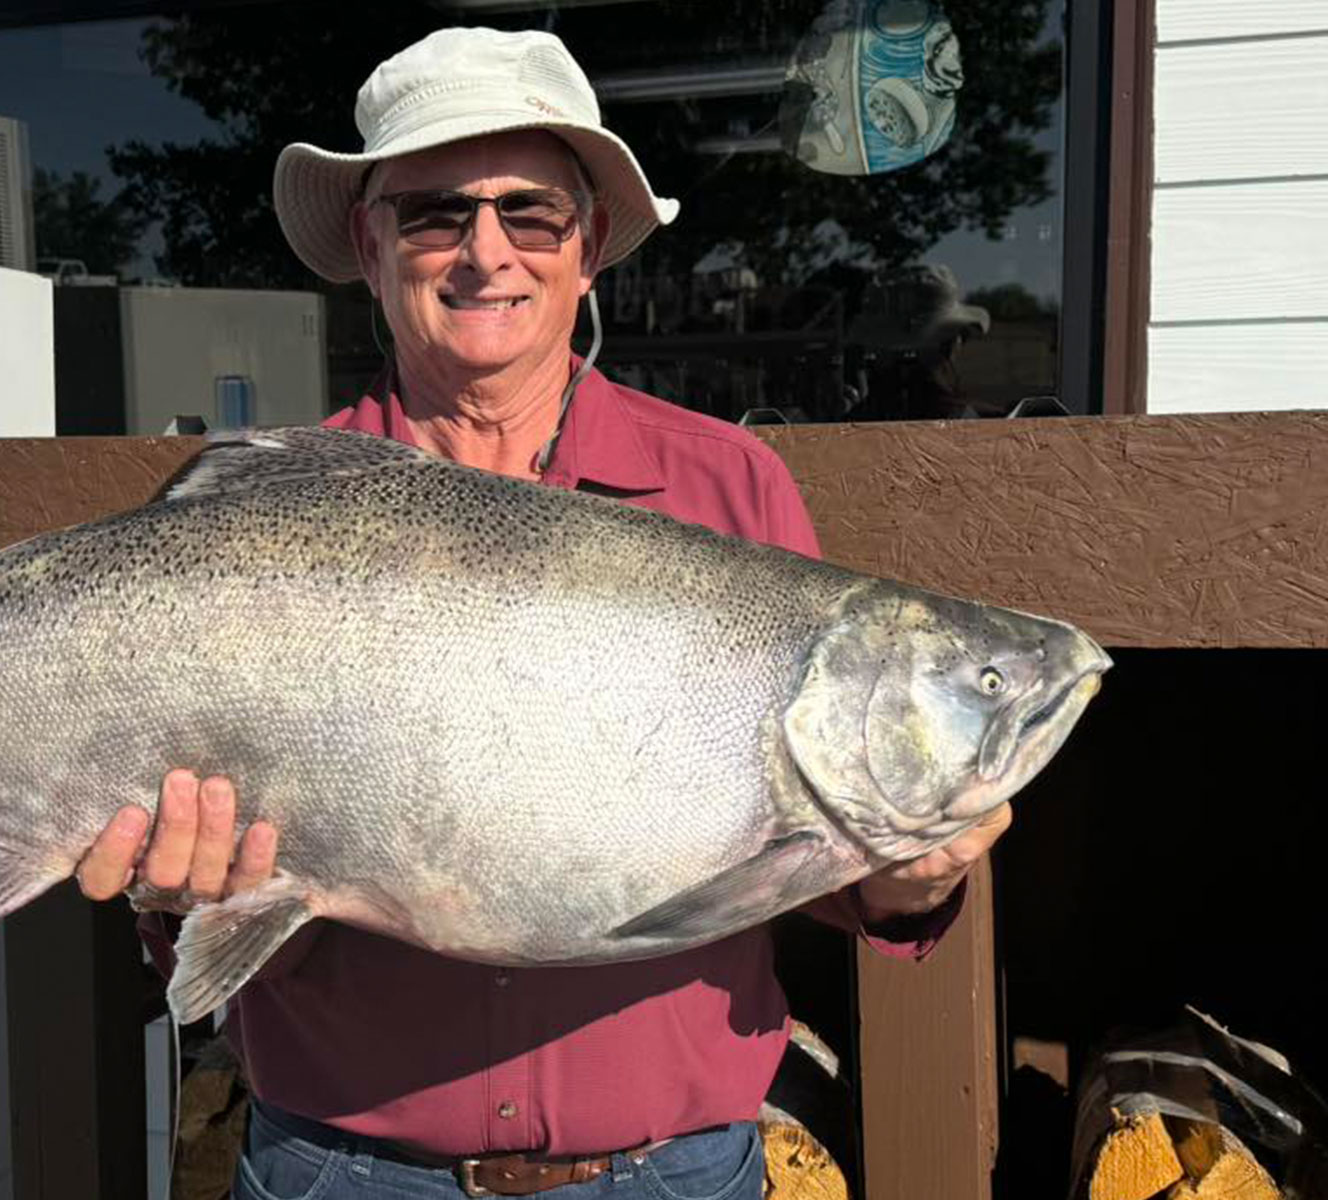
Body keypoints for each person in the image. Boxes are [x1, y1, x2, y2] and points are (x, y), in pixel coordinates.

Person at [75, 26, 1011, 1200]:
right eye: (432, 213)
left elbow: (800, 846)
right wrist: (180, 892)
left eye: (530, 213)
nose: (484, 254)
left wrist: (907, 878)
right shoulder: (274, 509)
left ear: (591, 246)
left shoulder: (728, 487)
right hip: (342, 1172)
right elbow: (196, 879)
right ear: (370, 245)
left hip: (672, 1174)